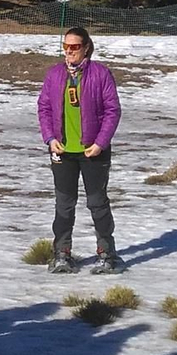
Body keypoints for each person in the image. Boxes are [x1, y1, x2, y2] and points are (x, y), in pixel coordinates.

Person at [36, 26, 123, 274]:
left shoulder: (101, 74)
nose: (69, 51)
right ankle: (62, 253)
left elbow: (112, 110)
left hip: (93, 151)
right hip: (63, 151)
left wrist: (100, 143)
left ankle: (107, 254)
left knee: (97, 204)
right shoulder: (54, 75)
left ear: (86, 47)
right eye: (65, 46)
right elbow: (44, 108)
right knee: (64, 205)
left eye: (74, 46)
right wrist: (50, 138)